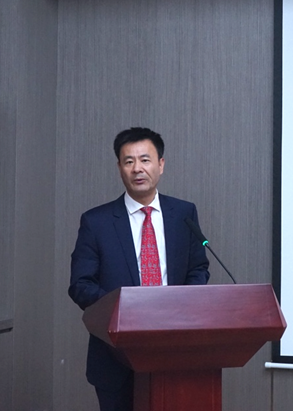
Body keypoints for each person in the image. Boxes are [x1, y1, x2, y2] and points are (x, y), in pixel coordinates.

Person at [68, 127, 210, 411]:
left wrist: (181, 306)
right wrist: (125, 310)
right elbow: (81, 285)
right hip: (115, 354)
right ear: (119, 168)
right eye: (129, 161)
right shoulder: (96, 222)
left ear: (161, 164)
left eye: (145, 160)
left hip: (176, 349)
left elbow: (198, 268)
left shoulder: (184, 214)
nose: (137, 168)